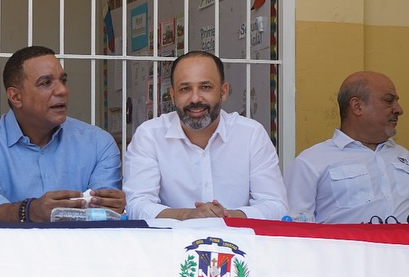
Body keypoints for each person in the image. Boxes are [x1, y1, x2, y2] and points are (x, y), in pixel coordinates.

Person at [0, 45, 126, 222]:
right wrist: (29, 211)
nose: (62, 90)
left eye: (63, 80)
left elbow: (105, 218)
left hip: (81, 240)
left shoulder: (98, 143)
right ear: (16, 97)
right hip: (6, 241)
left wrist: (113, 208)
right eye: (46, 83)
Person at [285, 71, 409, 223]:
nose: (399, 109)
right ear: (357, 106)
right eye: (388, 100)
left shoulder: (405, 157)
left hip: (407, 259)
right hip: (346, 260)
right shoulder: (311, 162)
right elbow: (295, 229)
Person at [123, 50, 288, 221]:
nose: (195, 99)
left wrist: (226, 217)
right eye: (185, 89)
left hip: (238, 236)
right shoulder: (149, 135)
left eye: (205, 87)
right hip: (172, 236)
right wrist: (188, 215)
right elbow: (136, 204)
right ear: (172, 96)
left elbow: (275, 205)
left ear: (223, 92)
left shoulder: (251, 134)